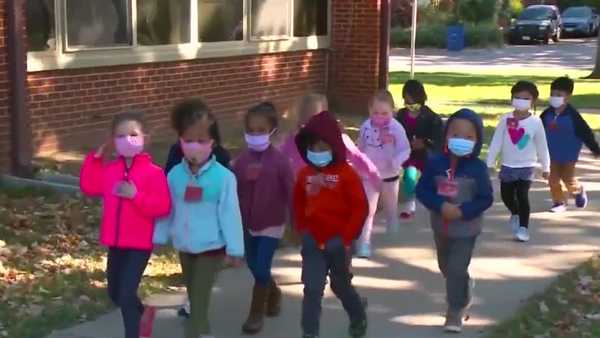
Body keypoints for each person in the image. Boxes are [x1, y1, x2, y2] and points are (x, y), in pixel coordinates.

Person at [153, 99, 245, 338]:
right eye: (189, 140)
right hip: (184, 246)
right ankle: (203, 332)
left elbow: (230, 213)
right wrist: (159, 235)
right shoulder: (174, 175)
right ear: (180, 141)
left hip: (211, 248)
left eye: (202, 140)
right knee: (194, 296)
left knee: (199, 301)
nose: (195, 146)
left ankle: (195, 332)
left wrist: (235, 249)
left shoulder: (223, 178)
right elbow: (167, 207)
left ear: (212, 143)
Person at [80, 112, 171, 338]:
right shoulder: (110, 171)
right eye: (120, 136)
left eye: (133, 134)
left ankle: (133, 333)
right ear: (113, 140)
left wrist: (136, 196)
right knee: (115, 293)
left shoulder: (154, 173)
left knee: (126, 293)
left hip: (139, 244)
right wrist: (96, 158)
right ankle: (142, 315)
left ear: (145, 138)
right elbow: (90, 186)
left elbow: (162, 206)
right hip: (116, 242)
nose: (127, 140)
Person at [416, 109, 493, 333]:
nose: (461, 140)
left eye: (469, 137)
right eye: (455, 134)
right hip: (441, 227)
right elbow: (423, 190)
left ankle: (455, 311)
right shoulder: (435, 163)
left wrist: (463, 211)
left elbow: (486, 198)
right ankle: (463, 287)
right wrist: (440, 206)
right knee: (447, 267)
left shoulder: (477, 169)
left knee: (457, 267)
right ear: (446, 135)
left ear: (477, 140)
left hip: (467, 229)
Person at [294, 111, 369, 338]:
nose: (317, 153)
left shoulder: (347, 174)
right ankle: (310, 333)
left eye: (323, 147)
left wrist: (346, 239)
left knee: (340, 285)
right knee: (312, 289)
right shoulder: (304, 174)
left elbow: (360, 208)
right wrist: (301, 229)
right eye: (313, 148)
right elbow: (297, 202)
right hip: (313, 241)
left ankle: (357, 314)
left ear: (334, 146)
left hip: (339, 242)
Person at [279, 93, 380, 254]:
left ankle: (343, 264)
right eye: (307, 122)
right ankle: (314, 264)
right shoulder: (293, 140)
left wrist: (374, 175)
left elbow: (358, 157)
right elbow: (280, 159)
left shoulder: (338, 138)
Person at [163, 99, 232, 319]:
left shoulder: (220, 155)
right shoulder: (177, 152)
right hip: (186, 222)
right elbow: (169, 181)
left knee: (205, 270)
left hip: (212, 224)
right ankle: (194, 301)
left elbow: (227, 190)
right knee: (191, 269)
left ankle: (197, 313)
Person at [233, 102, 294, 334]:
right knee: (252, 263)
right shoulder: (241, 161)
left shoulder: (279, 161)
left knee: (261, 267)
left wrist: (295, 223)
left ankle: (256, 313)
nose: (255, 135)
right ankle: (274, 292)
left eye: (261, 130)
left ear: (272, 131)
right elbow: (233, 190)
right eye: (251, 130)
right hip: (248, 223)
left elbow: (291, 191)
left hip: (272, 223)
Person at [487, 81, 550, 243]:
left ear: (533, 101)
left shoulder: (536, 122)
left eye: (526, 98)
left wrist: (546, 166)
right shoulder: (505, 119)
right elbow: (496, 142)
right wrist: (490, 162)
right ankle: (515, 212)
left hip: (527, 166)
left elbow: (542, 145)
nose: (521, 101)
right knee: (506, 196)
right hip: (508, 165)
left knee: (522, 195)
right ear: (512, 99)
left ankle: (523, 228)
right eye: (517, 97)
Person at [540, 76, 600, 213]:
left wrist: (595, 149)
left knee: (568, 180)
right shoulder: (546, 114)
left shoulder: (573, 116)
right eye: (552, 94)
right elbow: (536, 131)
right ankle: (559, 202)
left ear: (568, 97)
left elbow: (586, 133)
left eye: (559, 95)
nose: (554, 97)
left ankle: (578, 191)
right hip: (551, 155)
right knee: (553, 180)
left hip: (569, 156)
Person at [357, 90, 410, 242]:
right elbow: (361, 145)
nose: (380, 117)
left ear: (392, 111)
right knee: (369, 209)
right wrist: (359, 163)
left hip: (390, 175)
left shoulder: (397, 128)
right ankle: (364, 241)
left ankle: (392, 230)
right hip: (370, 173)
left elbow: (405, 149)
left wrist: (395, 161)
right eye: (376, 113)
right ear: (369, 111)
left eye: (385, 113)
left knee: (390, 207)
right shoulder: (365, 126)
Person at [396, 79, 444, 221]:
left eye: (413, 102)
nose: (409, 106)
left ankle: (438, 204)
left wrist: (424, 143)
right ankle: (409, 207)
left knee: (431, 181)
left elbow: (438, 138)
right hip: (409, 155)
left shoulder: (431, 117)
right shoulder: (401, 115)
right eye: (406, 102)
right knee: (409, 177)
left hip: (426, 155)